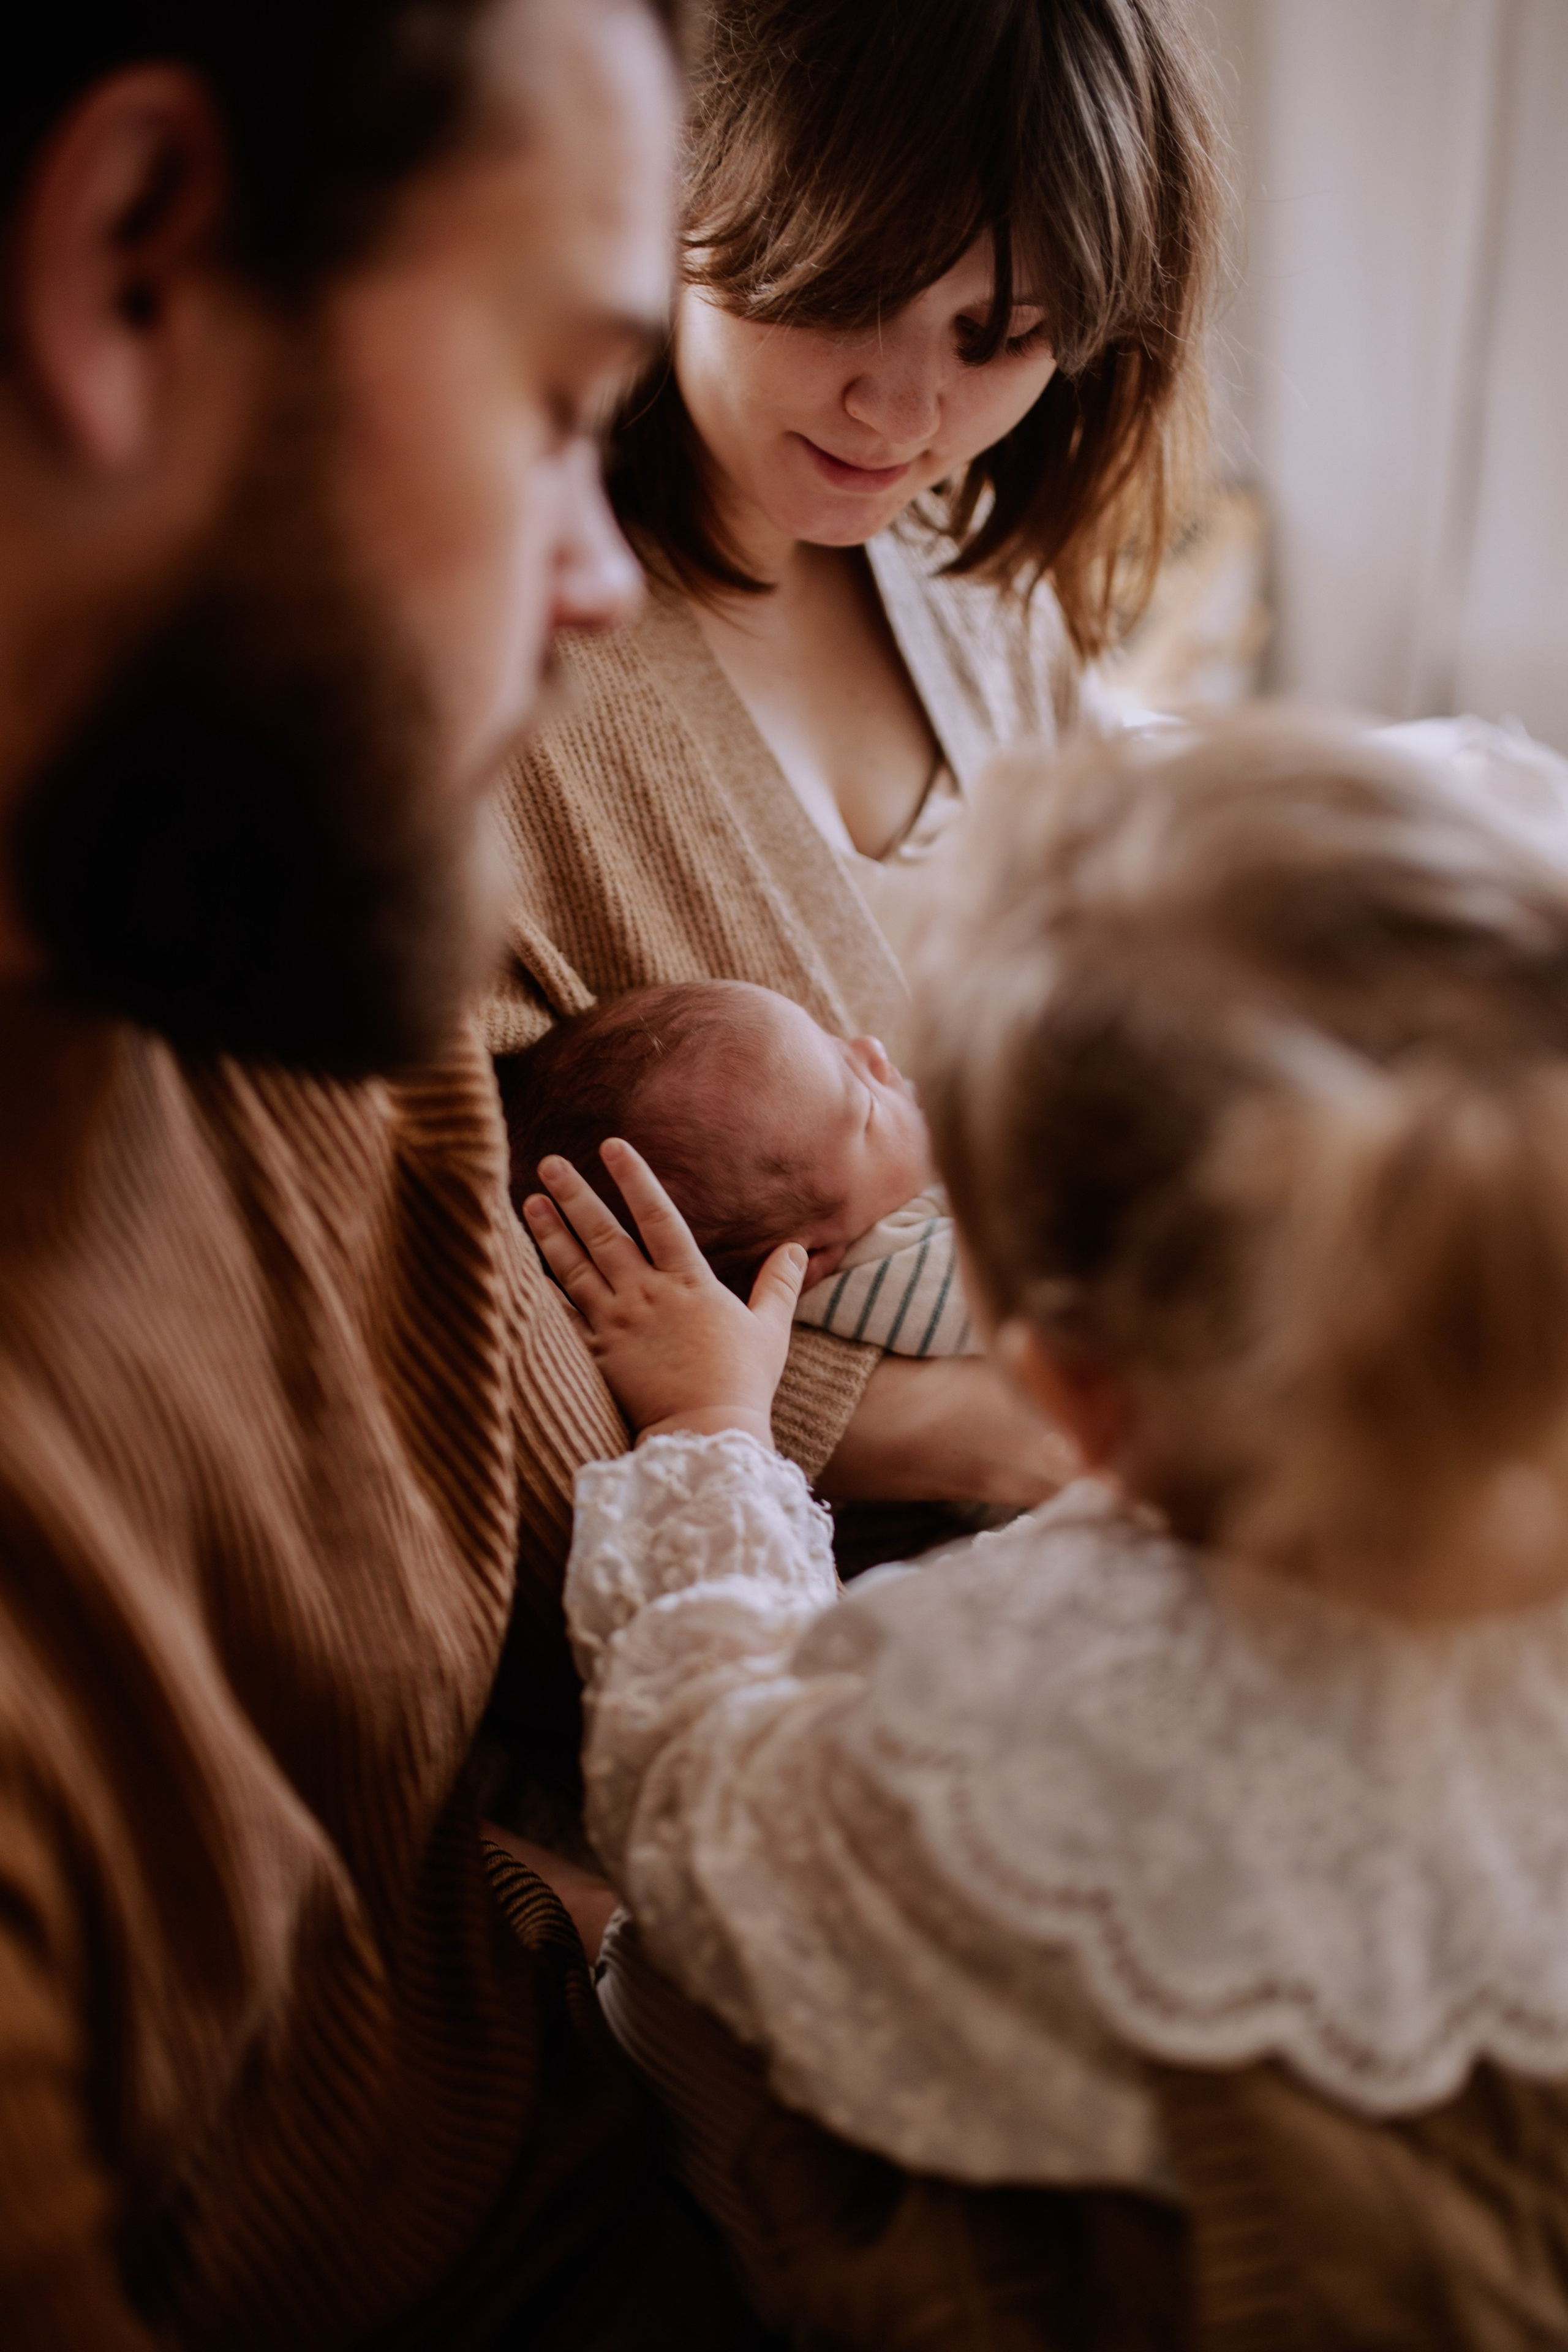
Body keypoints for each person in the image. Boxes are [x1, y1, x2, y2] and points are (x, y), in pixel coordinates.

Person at [0, 3, 767, 2345]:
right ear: (131, 271)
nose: (603, 575)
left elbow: (576, 1489)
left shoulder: (276, 880)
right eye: (557, 408)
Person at [526, 716, 1568, 2345]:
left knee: (640, 1959)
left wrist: (715, 1432)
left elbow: (696, 1792)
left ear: (1071, 1391)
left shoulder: (1013, 1714)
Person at [482, 0, 1229, 1525]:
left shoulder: (979, 598)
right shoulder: (502, 671)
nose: (900, 415)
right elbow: (426, 1271)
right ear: (672, 193)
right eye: (843, 296)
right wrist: (901, 1426)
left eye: (995, 336)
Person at [502, 979, 986, 1357]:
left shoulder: (869, 1212)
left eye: (834, 1040)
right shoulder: (898, 1266)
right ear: (800, 1264)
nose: (873, 1049)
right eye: (865, 1111)